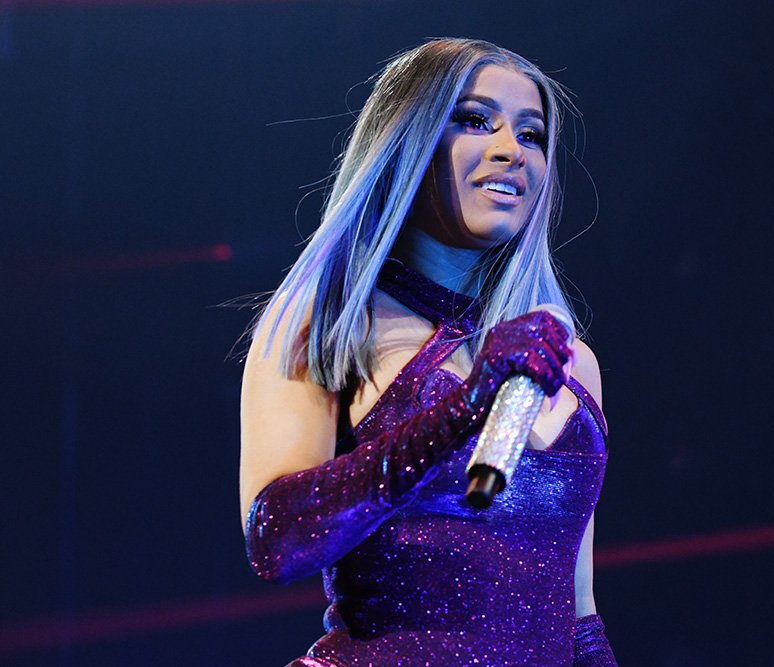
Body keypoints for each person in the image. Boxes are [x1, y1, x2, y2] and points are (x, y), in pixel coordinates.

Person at [239, 38, 616, 666]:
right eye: (473, 120)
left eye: (532, 135)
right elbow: (276, 543)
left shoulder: (573, 366)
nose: (510, 150)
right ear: (407, 140)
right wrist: (466, 408)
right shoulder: (327, 326)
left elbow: (577, 620)